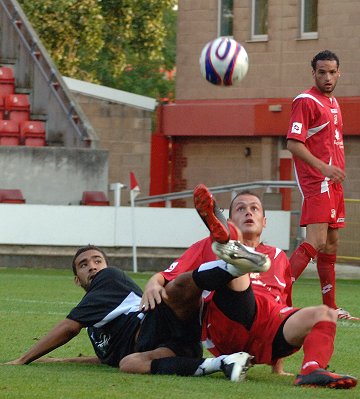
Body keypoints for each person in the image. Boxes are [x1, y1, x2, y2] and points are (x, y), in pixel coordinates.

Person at [142, 184, 357, 389]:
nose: (248, 212)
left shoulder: (278, 256)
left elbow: (283, 304)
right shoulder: (208, 246)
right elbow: (169, 276)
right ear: (229, 220)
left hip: (268, 327)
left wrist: (278, 366)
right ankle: (234, 251)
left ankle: (312, 370)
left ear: (264, 221)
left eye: (254, 209)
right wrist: (153, 283)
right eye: (241, 208)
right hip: (227, 322)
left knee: (325, 314)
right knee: (236, 272)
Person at [5, 244, 253, 382]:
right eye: (84, 265)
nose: (92, 266)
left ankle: (233, 266)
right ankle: (224, 362)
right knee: (129, 364)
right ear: (76, 280)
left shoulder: (109, 278)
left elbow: (69, 327)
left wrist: (23, 359)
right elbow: (106, 360)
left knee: (174, 288)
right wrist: (62, 361)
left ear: (107, 266)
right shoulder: (95, 324)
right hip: (167, 346)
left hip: (155, 319)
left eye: (97, 261)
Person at [286, 50, 353, 319]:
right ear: (313, 72)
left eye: (332, 72)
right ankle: (275, 294)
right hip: (317, 180)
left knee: (332, 242)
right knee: (316, 241)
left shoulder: (334, 103)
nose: (327, 77)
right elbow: (293, 143)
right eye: (321, 72)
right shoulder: (305, 101)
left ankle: (330, 306)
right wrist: (323, 167)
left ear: (339, 73)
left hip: (333, 181)